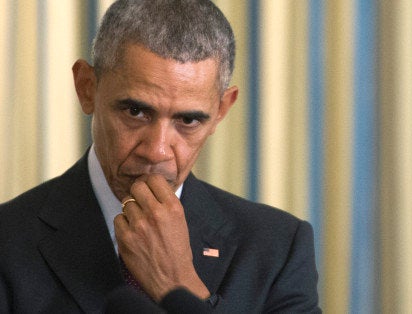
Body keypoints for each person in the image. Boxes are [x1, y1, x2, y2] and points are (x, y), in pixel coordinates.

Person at [0, 0, 320, 313]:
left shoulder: (278, 249)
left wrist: (180, 287)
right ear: (87, 88)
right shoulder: (8, 241)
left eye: (188, 120)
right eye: (136, 111)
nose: (157, 151)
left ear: (221, 110)